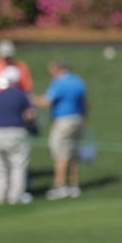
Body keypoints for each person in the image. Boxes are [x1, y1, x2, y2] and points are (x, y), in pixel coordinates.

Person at [38, 59, 88, 200]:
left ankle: (59, 186)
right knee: (73, 154)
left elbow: (45, 102)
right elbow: (85, 103)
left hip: (64, 121)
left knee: (60, 153)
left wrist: (28, 98)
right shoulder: (78, 81)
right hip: (78, 119)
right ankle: (73, 185)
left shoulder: (59, 82)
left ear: (57, 69)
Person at [0, 66, 34, 205]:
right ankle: (15, 196)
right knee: (18, 166)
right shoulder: (22, 94)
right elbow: (29, 114)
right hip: (15, 132)